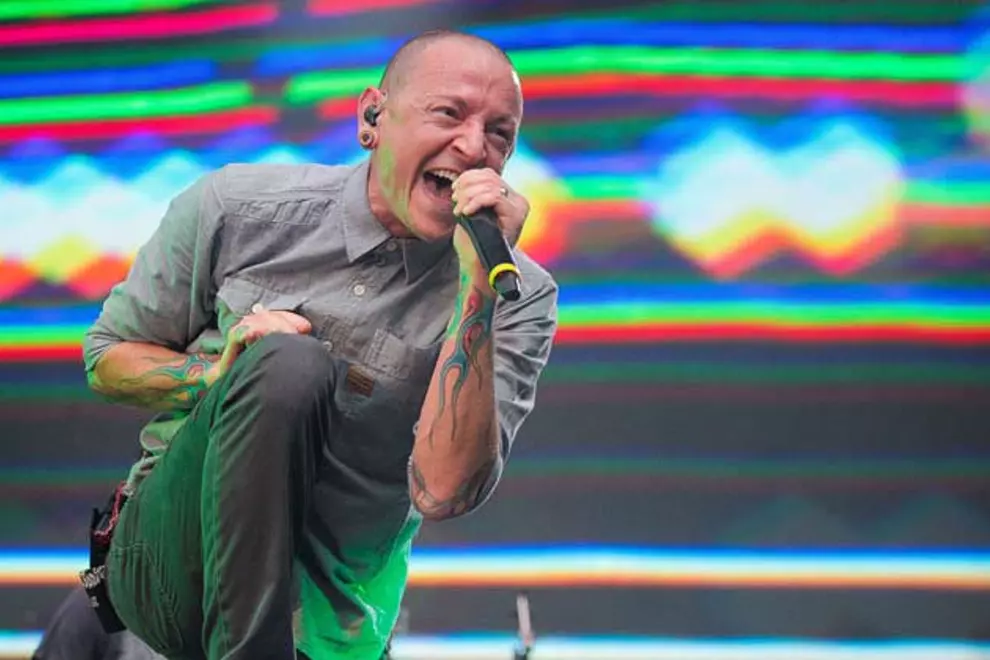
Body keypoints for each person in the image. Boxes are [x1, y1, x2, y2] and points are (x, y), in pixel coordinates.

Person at [81, 29, 558, 660]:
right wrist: (217, 375)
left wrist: (476, 292)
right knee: (284, 364)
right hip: (173, 573)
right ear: (372, 117)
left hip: (335, 628)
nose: (475, 148)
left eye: (501, 133)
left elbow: (443, 492)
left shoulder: (514, 292)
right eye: (449, 113)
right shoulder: (236, 208)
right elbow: (107, 357)